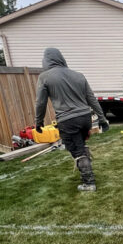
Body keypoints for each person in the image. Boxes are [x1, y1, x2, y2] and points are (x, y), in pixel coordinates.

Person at [34, 48, 109, 192]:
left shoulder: (45, 77)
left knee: (77, 150)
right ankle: (87, 172)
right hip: (85, 118)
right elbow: (91, 98)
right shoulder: (78, 75)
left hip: (68, 121)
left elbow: (40, 103)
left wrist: (38, 122)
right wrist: (102, 118)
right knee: (80, 145)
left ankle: (89, 183)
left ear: (47, 60)